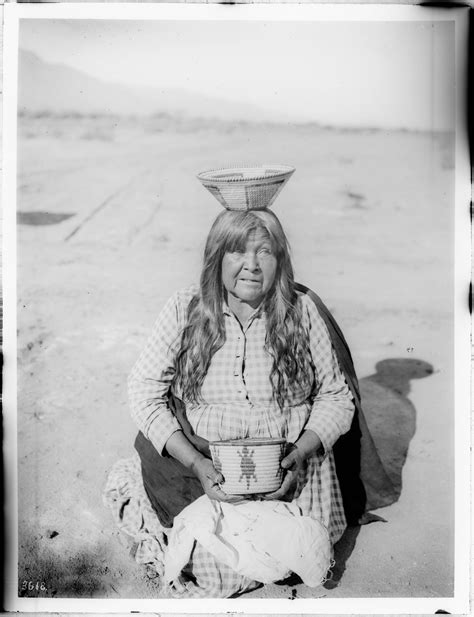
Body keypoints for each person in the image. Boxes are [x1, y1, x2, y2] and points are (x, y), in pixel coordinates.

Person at [104, 208, 358, 598]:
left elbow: (336, 397)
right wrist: (196, 463)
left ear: (281, 260)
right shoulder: (185, 309)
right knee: (215, 576)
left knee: (301, 558)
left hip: (292, 474)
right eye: (238, 252)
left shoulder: (301, 310)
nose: (252, 266)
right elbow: (144, 392)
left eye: (265, 252)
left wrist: (301, 453)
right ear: (216, 256)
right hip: (209, 475)